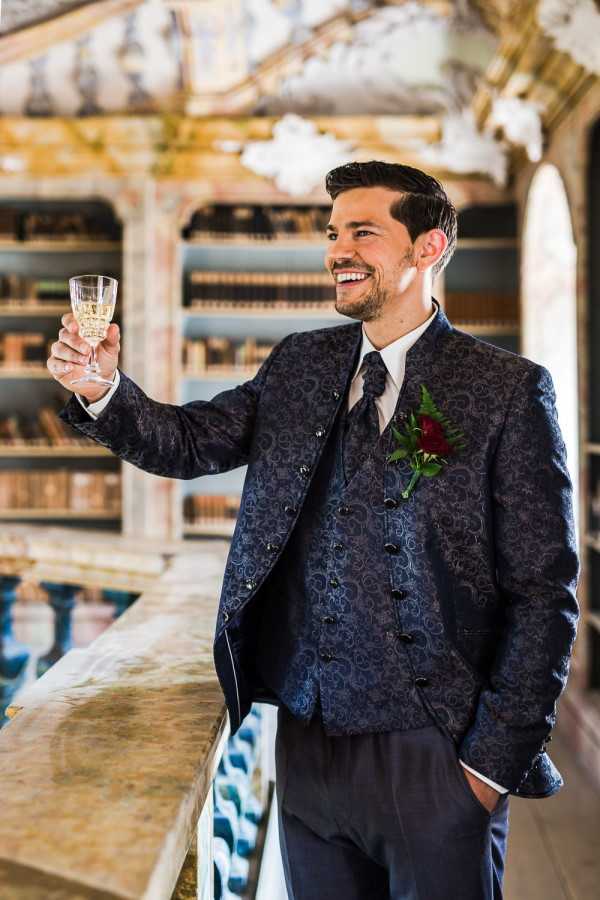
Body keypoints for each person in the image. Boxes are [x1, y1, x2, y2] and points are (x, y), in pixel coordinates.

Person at [49, 161, 580, 899]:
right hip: (306, 746)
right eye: (333, 233)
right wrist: (102, 390)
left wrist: (488, 767)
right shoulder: (300, 363)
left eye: (364, 231)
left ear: (428, 248)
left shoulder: (506, 389)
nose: (337, 250)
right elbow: (190, 440)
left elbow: (543, 594)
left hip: (438, 753)